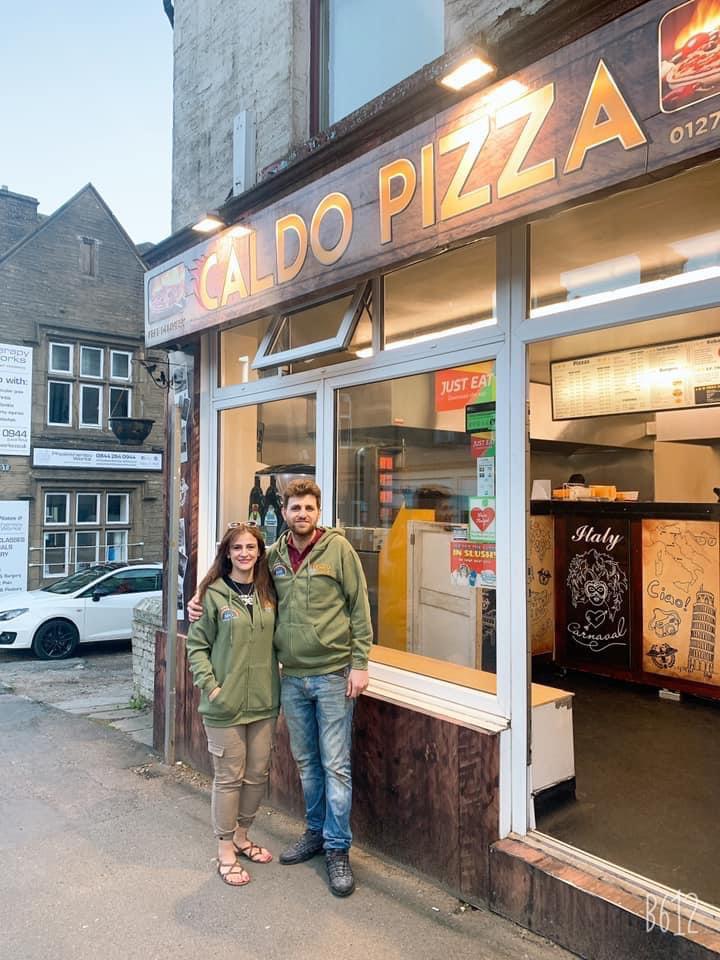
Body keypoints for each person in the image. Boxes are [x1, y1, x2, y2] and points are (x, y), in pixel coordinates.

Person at [188, 478, 372, 897]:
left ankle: (337, 848)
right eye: (294, 508)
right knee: (307, 763)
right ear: (284, 513)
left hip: (332, 675)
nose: (302, 514)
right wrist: (198, 599)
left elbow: (360, 607)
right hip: (290, 677)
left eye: (308, 508)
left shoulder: (338, 550)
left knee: (336, 765)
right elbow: (235, 580)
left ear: (318, 511)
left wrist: (360, 664)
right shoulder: (273, 558)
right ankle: (314, 833)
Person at [185, 522, 279, 887]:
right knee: (229, 777)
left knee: (257, 775)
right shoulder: (211, 595)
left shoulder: (269, 591)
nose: (244, 553)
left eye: (250, 547)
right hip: (224, 705)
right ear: (226, 554)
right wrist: (211, 688)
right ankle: (225, 848)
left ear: (259, 552)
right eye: (236, 548)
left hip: (264, 701)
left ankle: (243, 835)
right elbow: (197, 647)